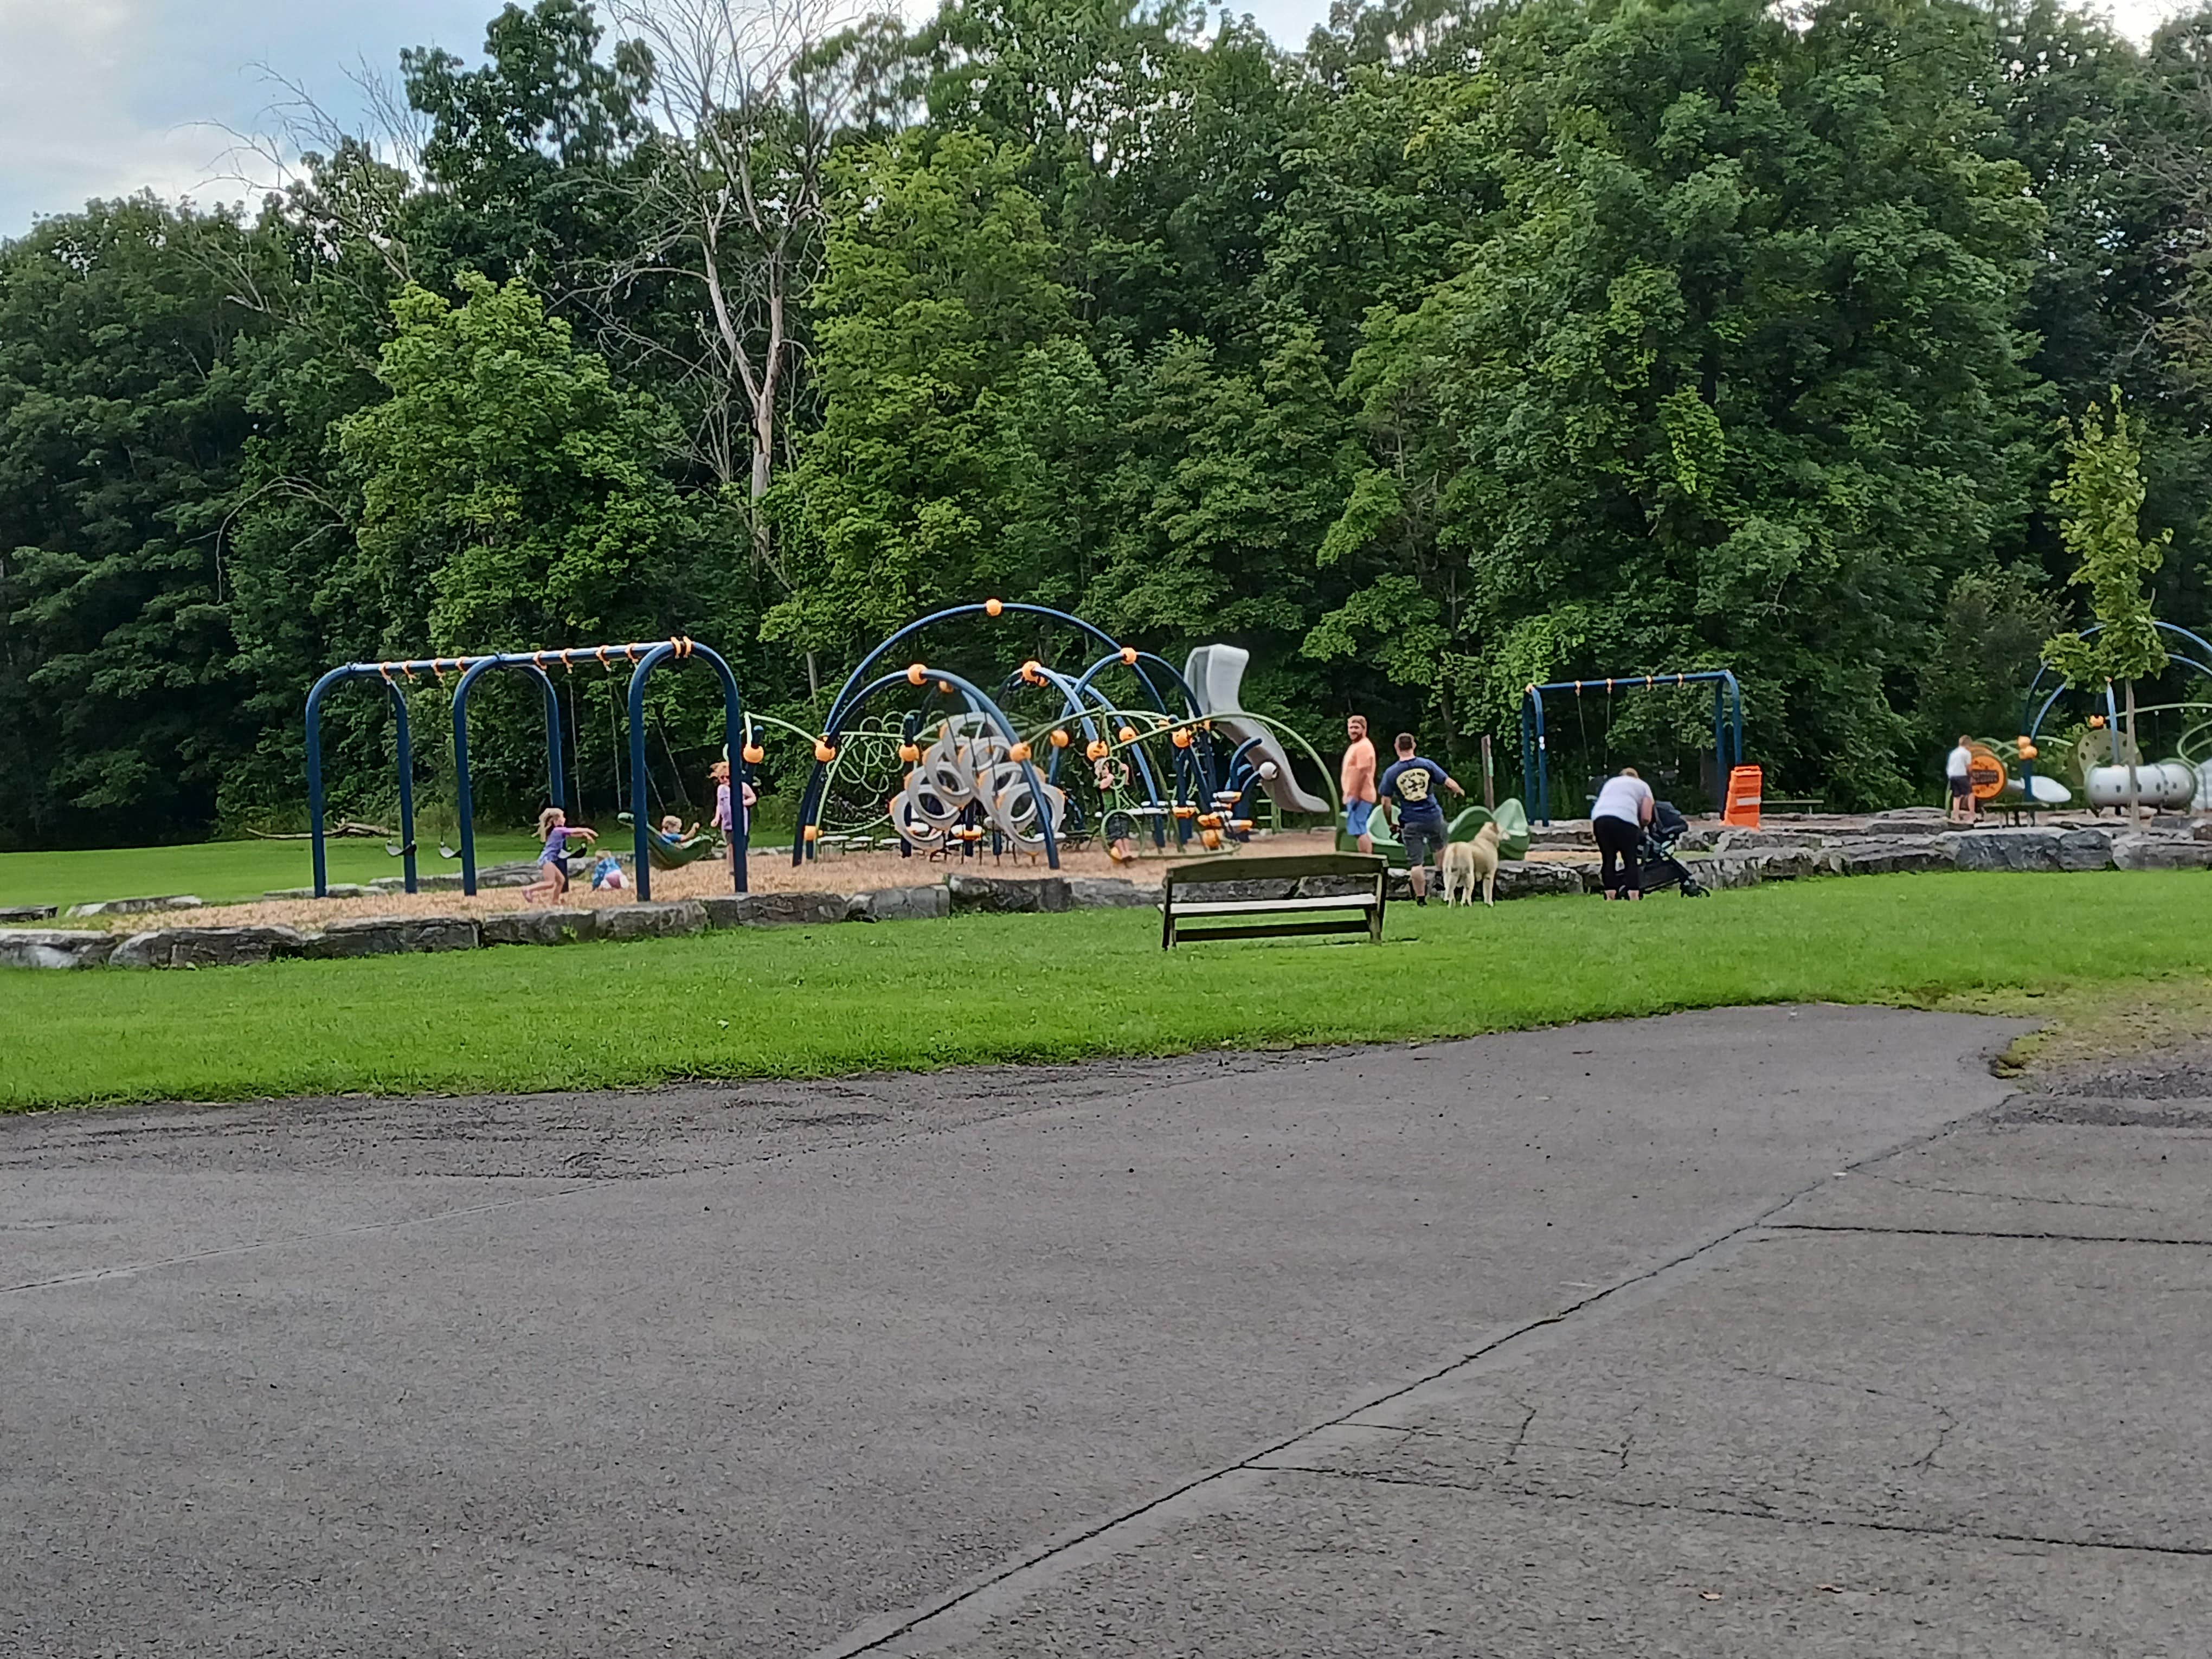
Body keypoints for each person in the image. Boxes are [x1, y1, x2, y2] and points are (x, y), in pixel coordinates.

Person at [1377, 732, 1465, 905]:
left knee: (1416, 863)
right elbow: (1448, 782)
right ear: (1414, 746)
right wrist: (1459, 791)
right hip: (1433, 816)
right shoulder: (1426, 764)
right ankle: (1440, 876)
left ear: (1397, 747)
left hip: (1410, 821)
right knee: (1439, 847)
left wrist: (1390, 823)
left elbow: (1385, 803)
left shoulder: (1392, 772)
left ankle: (1421, 899)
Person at [1591, 767, 1655, 901]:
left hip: (1601, 819)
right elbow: (1646, 817)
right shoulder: (1643, 786)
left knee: (1608, 858)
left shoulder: (1611, 783)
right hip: (1626, 820)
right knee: (1630, 858)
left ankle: (1610, 895)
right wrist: (1642, 830)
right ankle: (1633, 895)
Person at [523, 807, 596, 904]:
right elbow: (573, 831)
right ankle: (528, 890)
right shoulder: (558, 830)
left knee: (561, 880)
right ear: (556, 821)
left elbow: (573, 834)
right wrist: (588, 830)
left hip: (550, 860)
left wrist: (585, 835)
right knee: (550, 883)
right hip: (547, 860)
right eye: (562, 817)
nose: (565, 819)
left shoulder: (558, 832)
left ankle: (555, 901)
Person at [1341, 715, 1379, 854]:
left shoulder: (1364, 747)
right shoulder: (1355, 746)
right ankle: (1367, 860)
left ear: (1364, 729)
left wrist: (1354, 795)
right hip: (1355, 795)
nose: (1353, 731)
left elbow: (1362, 772)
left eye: (1356, 728)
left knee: (1359, 830)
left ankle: (1367, 862)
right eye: (1351, 727)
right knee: (1359, 830)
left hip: (1361, 796)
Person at [710, 759, 756, 843]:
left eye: (728, 777)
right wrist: (717, 818)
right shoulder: (721, 789)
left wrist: (743, 803)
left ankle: (742, 855)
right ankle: (731, 856)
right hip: (727, 823)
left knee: (740, 844)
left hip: (740, 822)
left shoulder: (742, 786)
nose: (725, 779)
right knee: (729, 845)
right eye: (722, 777)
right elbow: (719, 805)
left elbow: (753, 798)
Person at [1946, 734, 1977, 825]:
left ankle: (1956, 817)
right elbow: (1968, 767)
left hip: (1952, 775)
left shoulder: (1953, 753)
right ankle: (1972, 815)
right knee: (1971, 794)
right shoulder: (1966, 753)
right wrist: (1972, 777)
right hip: (1961, 775)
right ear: (1968, 744)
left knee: (1957, 796)